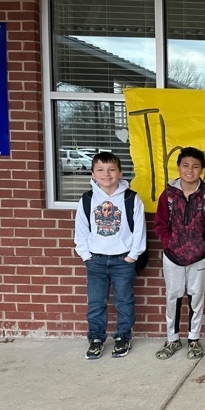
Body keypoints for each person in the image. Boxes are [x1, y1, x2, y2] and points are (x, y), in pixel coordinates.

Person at [75, 151, 146, 360]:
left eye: (111, 169)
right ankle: (96, 338)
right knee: (96, 302)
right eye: (100, 170)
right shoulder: (87, 200)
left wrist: (132, 256)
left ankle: (123, 336)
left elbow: (139, 230)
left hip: (123, 260)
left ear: (120, 172)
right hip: (96, 260)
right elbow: (81, 230)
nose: (106, 174)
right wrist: (86, 255)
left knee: (124, 301)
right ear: (93, 174)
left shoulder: (131, 199)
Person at [154, 147, 205, 360]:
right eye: (185, 165)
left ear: (201, 170)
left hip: (200, 257)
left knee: (196, 297)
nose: (189, 171)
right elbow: (160, 224)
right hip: (172, 256)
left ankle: (194, 339)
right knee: (173, 297)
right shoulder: (168, 195)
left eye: (195, 166)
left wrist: (203, 247)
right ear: (178, 167)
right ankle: (172, 339)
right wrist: (170, 243)